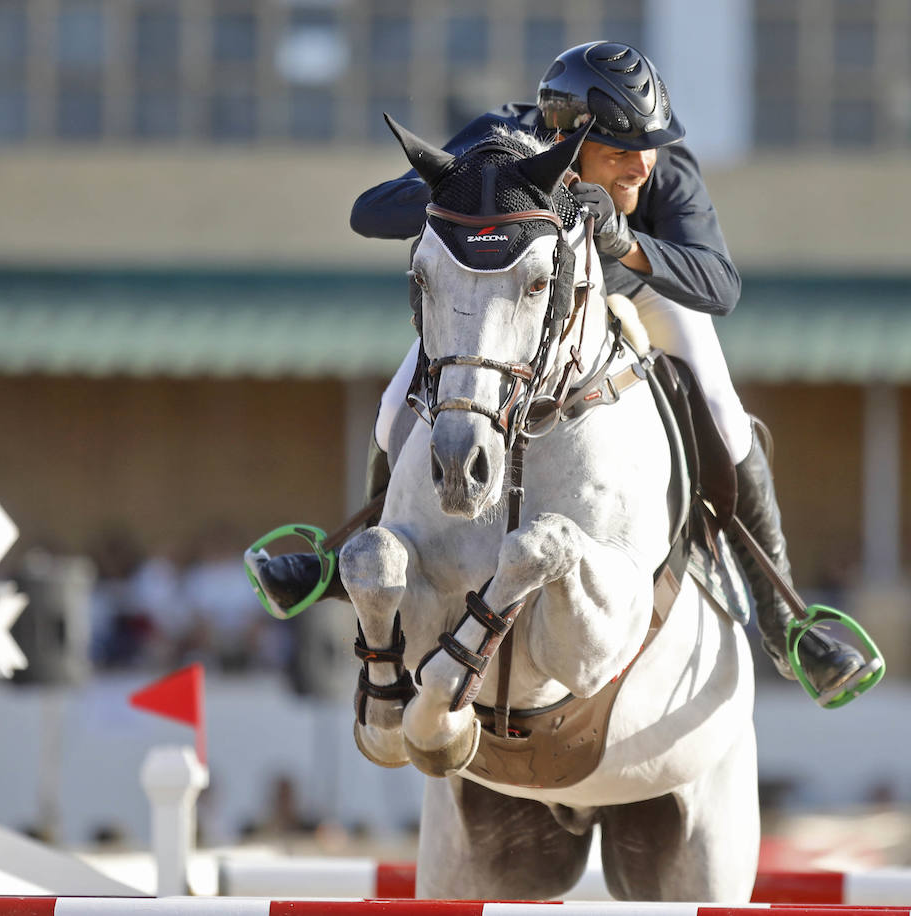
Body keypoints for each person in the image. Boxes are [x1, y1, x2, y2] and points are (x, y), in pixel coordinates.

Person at [257, 41, 865, 701]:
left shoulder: (668, 172)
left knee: (721, 409)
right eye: (618, 153)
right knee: (395, 406)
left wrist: (625, 242)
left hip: (633, 289)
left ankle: (786, 623)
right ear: (566, 140)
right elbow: (369, 211)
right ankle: (341, 560)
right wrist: (480, 188)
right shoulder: (503, 140)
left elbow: (720, 285)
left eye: (648, 147)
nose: (642, 164)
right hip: (515, 304)